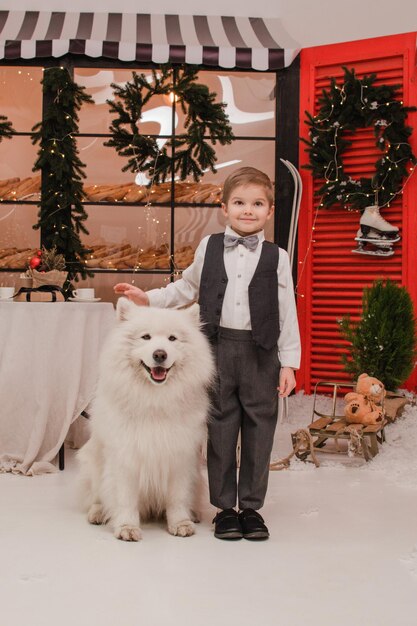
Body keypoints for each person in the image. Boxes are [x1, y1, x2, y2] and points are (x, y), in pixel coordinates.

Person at [114, 166, 301, 541]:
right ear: (224, 207)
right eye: (239, 203)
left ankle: (251, 508)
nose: (248, 210)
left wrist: (289, 363)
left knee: (259, 429)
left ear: (269, 211)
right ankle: (224, 508)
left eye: (257, 204)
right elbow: (186, 287)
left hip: (261, 352)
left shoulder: (277, 256)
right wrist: (147, 298)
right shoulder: (210, 246)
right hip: (217, 350)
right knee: (219, 428)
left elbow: (287, 310)